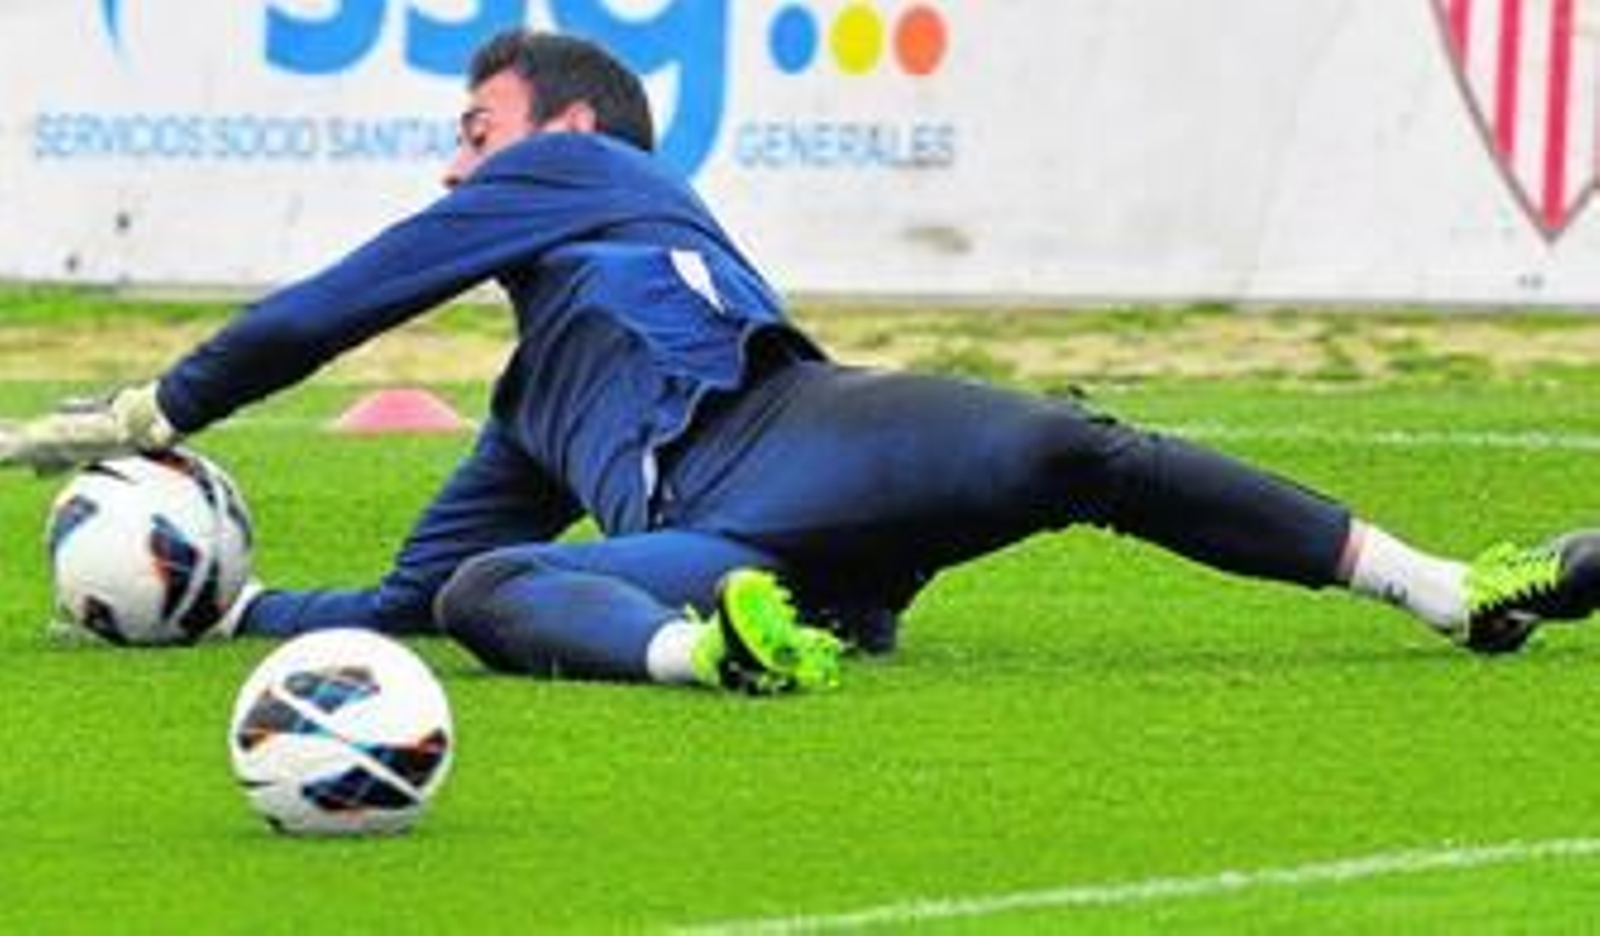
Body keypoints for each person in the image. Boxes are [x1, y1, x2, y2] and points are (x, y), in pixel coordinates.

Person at [4, 30, 1599, 694]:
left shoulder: (594, 174)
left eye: (473, 133)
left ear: (567, 130)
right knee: (486, 591)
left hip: (811, 431)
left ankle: (1450, 589)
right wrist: (224, 608)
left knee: (1068, 446)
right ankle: (719, 658)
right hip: (729, 550)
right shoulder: (527, 409)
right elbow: (413, 600)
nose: (453, 168)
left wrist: (156, 409)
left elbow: (337, 305)